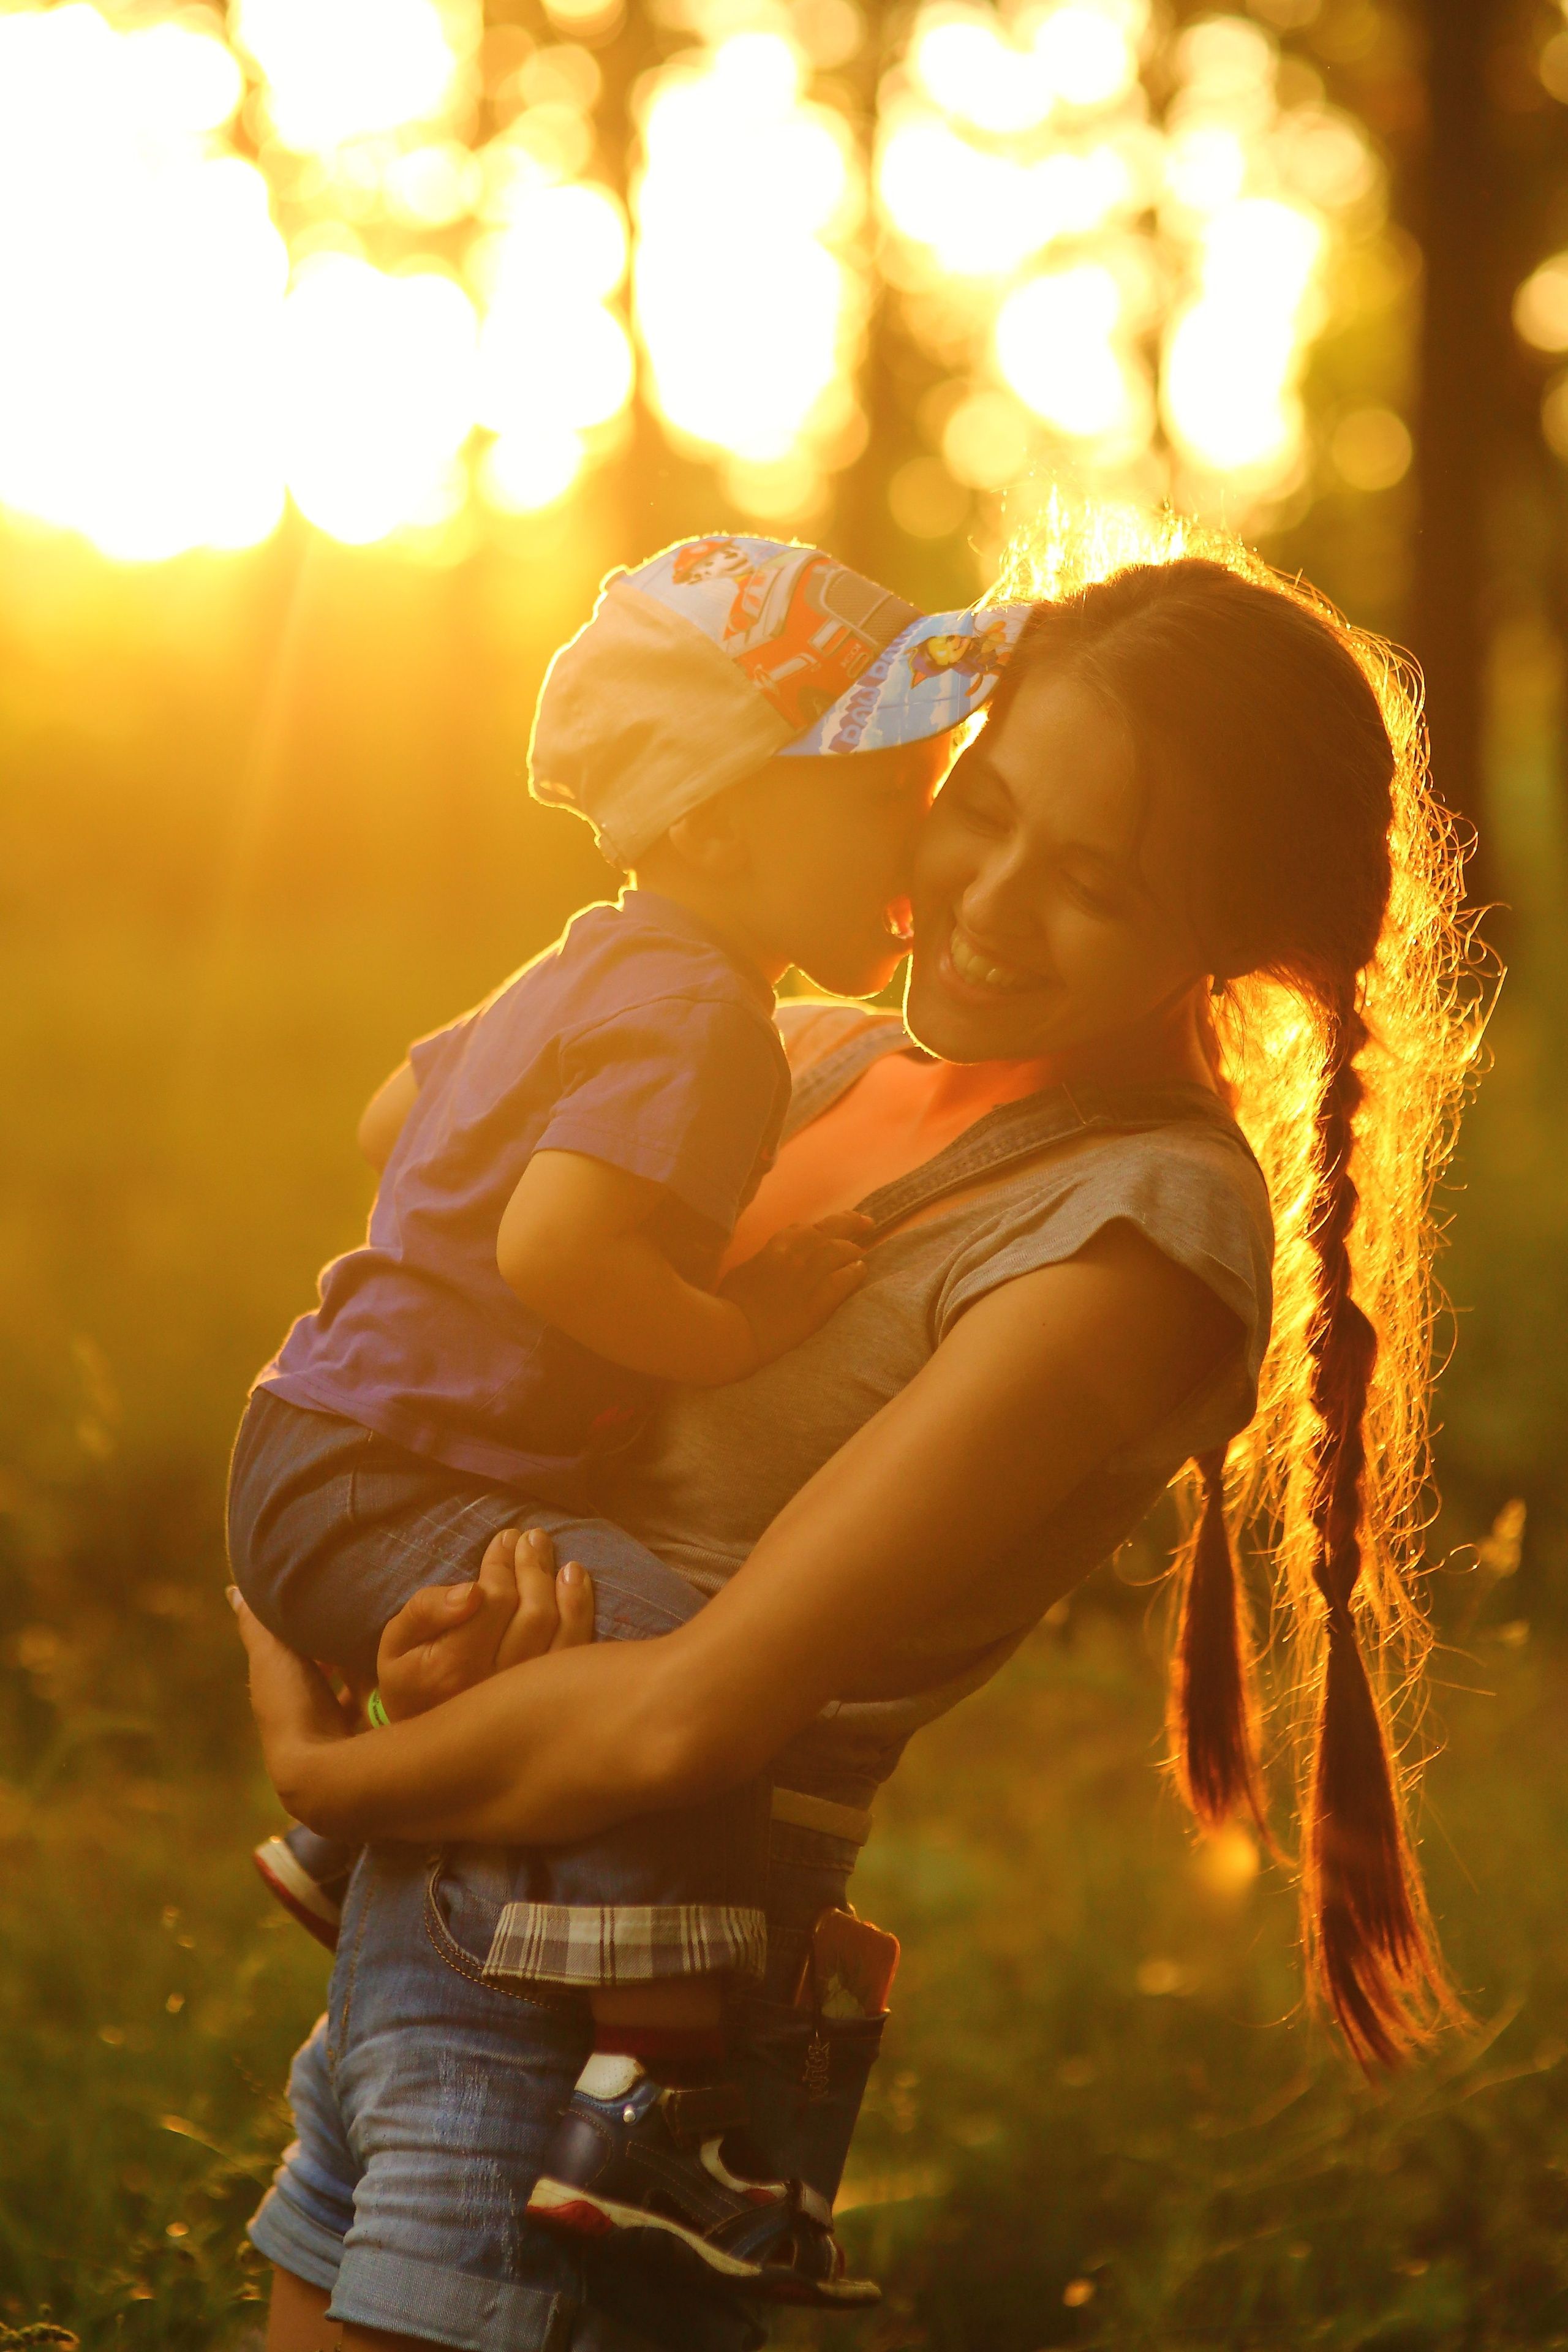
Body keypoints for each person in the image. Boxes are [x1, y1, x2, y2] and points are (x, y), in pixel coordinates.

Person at [235, 544, 1477, 2352]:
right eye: (985, 809)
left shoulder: (1136, 1233)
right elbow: (393, 1366)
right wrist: (373, 1646)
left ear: (1226, 932)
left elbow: (693, 1716)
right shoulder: (783, 1047)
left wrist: (321, 1770)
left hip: (612, 2038)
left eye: (1096, 885)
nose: (985, 904)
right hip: (418, 1947)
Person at [227, 529, 1034, 2301]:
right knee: (668, 1633)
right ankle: (675, 2105)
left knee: (575, 1628)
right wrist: (722, 1326)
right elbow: (555, 1243)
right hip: (389, 1471)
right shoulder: (708, 1019)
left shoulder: (591, 961)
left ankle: (351, 1827)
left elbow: (392, 1124)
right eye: (887, 786)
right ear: (726, 822)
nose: (927, 827)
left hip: (314, 1440)